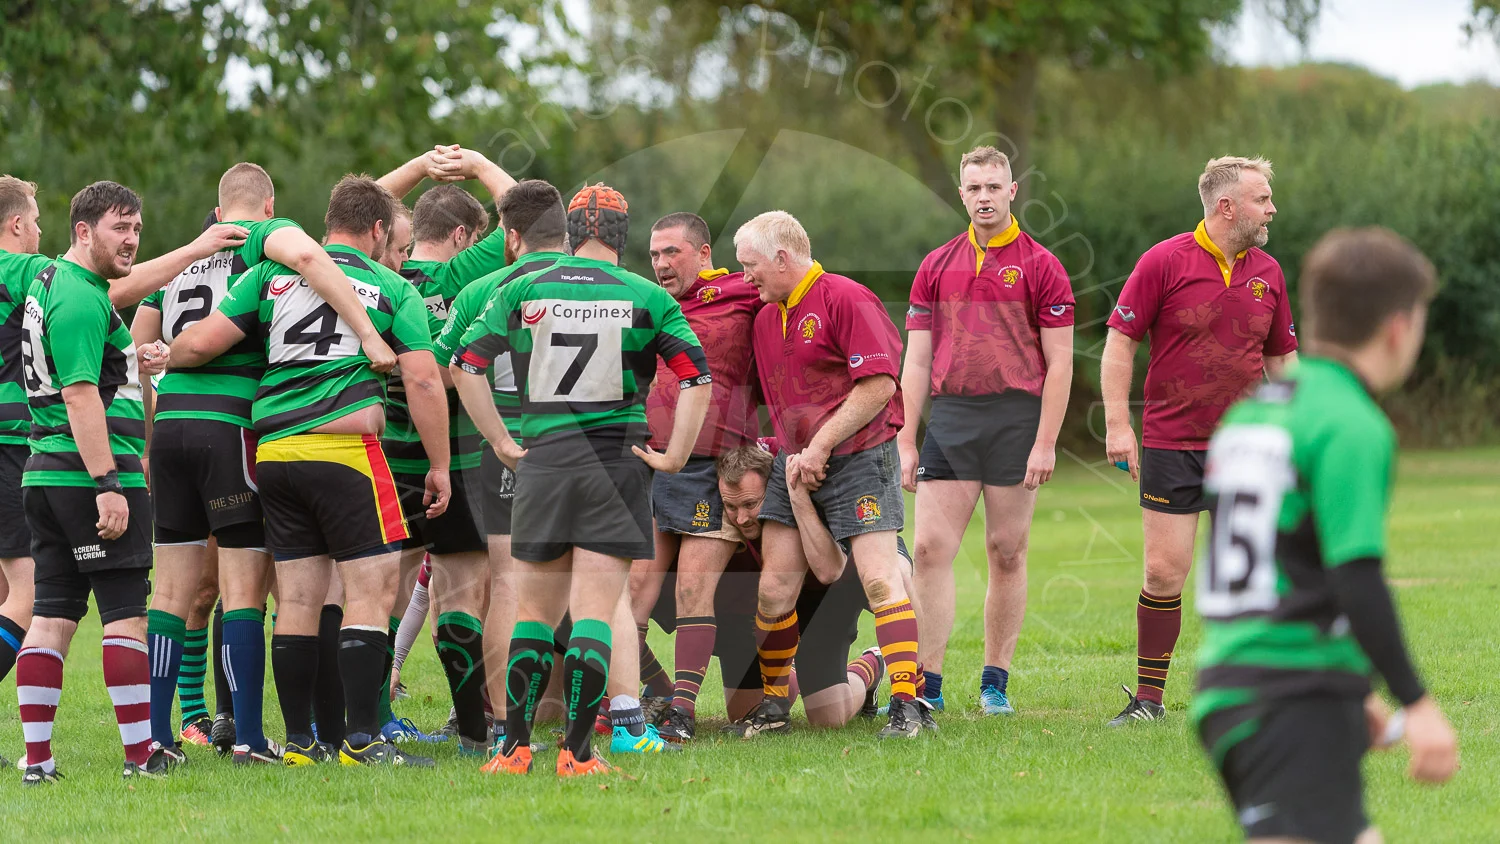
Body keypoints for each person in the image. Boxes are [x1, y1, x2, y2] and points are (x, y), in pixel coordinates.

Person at [171, 175, 452, 768]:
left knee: (297, 599)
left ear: (329, 223)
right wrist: (440, 465)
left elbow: (199, 346)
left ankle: (300, 741)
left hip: (275, 453)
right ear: (378, 230)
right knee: (371, 591)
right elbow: (425, 380)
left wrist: (157, 353)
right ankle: (363, 738)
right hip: (346, 451)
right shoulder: (390, 286)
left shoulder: (267, 276)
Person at [1193, 227, 1458, 842]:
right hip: (1290, 698)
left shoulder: (1253, 413)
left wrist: (1351, 685)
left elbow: (1279, 560)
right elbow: (1356, 576)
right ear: (1399, 328)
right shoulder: (1351, 424)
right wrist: (1416, 703)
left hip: (1235, 684)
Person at [451, 183, 711, 776]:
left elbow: (465, 365)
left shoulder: (523, 287)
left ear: (570, 233)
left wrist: (501, 441)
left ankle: (513, 749)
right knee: (595, 612)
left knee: (532, 614)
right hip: (615, 466)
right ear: (624, 236)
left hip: (543, 462)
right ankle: (577, 752)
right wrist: (674, 457)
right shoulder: (647, 295)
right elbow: (698, 378)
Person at [1102, 156, 1298, 725]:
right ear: (1227, 207)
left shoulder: (1269, 272)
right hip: (1172, 444)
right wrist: (1118, 425)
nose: (1272, 209)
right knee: (1163, 573)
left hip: (1248, 449)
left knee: (1253, 576)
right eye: (1262, 199)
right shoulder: (1164, 261)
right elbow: (1120, 343)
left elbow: (1283, 359)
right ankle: (1149, 701)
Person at [897, 145, 1074, 716]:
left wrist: (1045, 441)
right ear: (961, 194)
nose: (984, 197)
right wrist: (905, 438)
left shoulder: (1043, 265)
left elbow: (1061, 363)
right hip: (952, 417)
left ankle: (994, 683)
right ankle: (928, 684)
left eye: (994, 187)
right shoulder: (935, 265)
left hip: (1017, 418)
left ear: (1012, 191)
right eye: (974, 188)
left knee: (1007, 551)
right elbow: (917, 361)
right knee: (929, 549)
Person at [737, 210, 923, 739]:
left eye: (750, 265)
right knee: (775, 589)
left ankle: (908, 705)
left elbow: (880, 384)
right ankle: (774, 707)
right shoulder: (765, 316)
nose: (746, 277)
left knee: (879, 579)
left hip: (861, 456)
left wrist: (820, 446)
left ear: (781, 258)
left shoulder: (847, 298)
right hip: (795, 462)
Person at [12, 182, 171, 784]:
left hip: (45, 473)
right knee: (126, 613)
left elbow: (87, 372)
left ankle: (39, 762)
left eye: (136, 229)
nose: (131, 240)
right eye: (118, 228)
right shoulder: (79, 294)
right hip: (88, 476)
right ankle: (140, 755)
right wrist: (108, 482)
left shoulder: (55, 283)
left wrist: (130, 359)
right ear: (83, 231)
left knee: (51, 614)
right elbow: (79, 395)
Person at [374, 145, 515, 748]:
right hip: (453, 457)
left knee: (378, 593)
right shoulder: (465, 275)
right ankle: (474, 733)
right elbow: (524, 215)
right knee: (459, 591)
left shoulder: (376, 273)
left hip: (384, 452)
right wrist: (479, 165)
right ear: (462, 236)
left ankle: (375, 719)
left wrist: (417, 167)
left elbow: (356, 211)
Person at [432, 178, 570, 755]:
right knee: (592, 583)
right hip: (589, 443)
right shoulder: (605, 284)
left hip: (509, 444)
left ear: (511, 237)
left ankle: (504, 728)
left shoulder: (484, 289)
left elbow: (442, 370)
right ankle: (613, 716)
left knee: (508, 582)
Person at [629, 211, 764, 744]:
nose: (661, 264)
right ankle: (644, 696)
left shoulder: (743, 292)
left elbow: (798, 297)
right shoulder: (647, 302)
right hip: (649, 463)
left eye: (672, 253)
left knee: (692, 588)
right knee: (631, 591)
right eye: (654, 254)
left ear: (704, 254)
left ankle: (681, 714)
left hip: (714, 467)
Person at [649, 442, 892, 732]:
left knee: (829, 717)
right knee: (742, 714)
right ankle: (785, 672)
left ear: (772, 488)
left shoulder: (796, 484)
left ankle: (869, 666)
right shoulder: (717, 527)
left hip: (818, 605)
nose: (741, 518)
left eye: (750, 504)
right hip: (757, 618)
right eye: (731, 506)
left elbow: (833, 569)